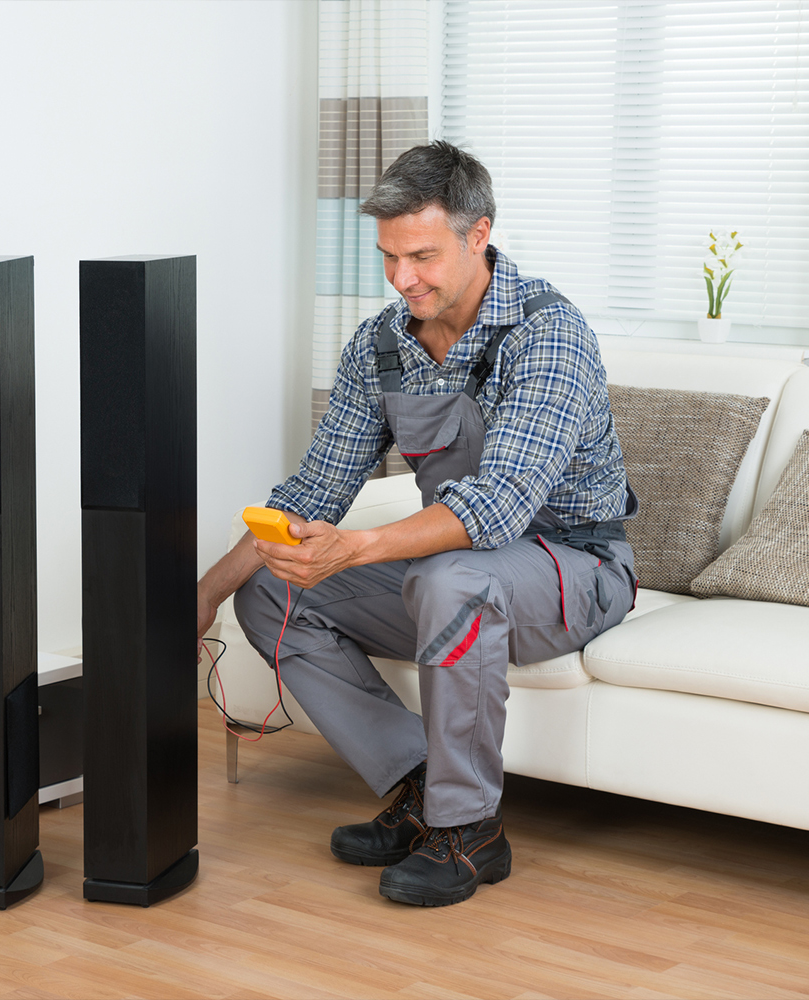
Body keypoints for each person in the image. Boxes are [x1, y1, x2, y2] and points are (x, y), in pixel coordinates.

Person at [196, 141, 637, 908]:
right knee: (270, 594)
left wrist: (356, 548)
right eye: (390, 258)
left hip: (576, 569)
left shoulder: (547, 333)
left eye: (423, 256)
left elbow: (497, 505)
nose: (404, 279)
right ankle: (422, 789)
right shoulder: (381, 344)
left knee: (450, 577)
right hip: (464, 574)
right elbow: (315, 490)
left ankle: (472, 832)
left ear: (478, 235)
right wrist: (204, 592)